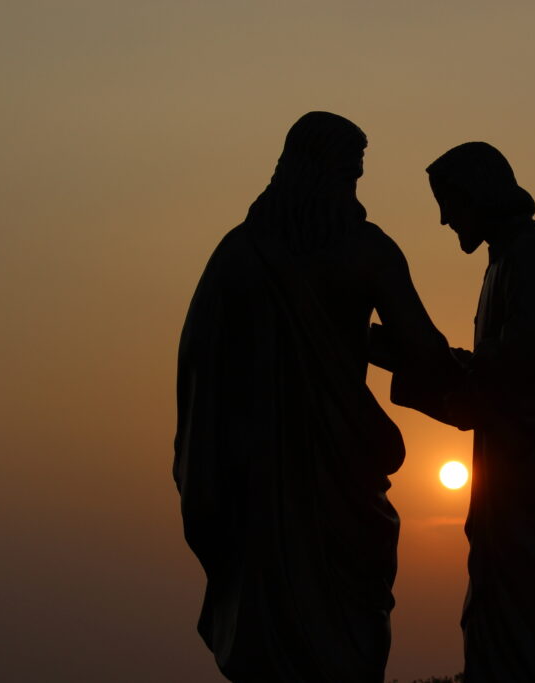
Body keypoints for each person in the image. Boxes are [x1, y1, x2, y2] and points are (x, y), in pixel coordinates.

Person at [173, 111, 446, 683]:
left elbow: (198, 366)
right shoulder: (364, 251)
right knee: (342, 637)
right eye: (347, 177)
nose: (351, 191)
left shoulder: (238, 254)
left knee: (312, 633)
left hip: (287, 477)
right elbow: (427, 353)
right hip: (285, 479)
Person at [382, 142, 535, 682]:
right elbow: (495, 377)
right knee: (505, 628)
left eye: (449, 202)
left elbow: (528, 368)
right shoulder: (504, 263)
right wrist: (411, 358)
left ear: (478, 196)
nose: (444, 218)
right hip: (520, 482)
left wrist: (426, 360)